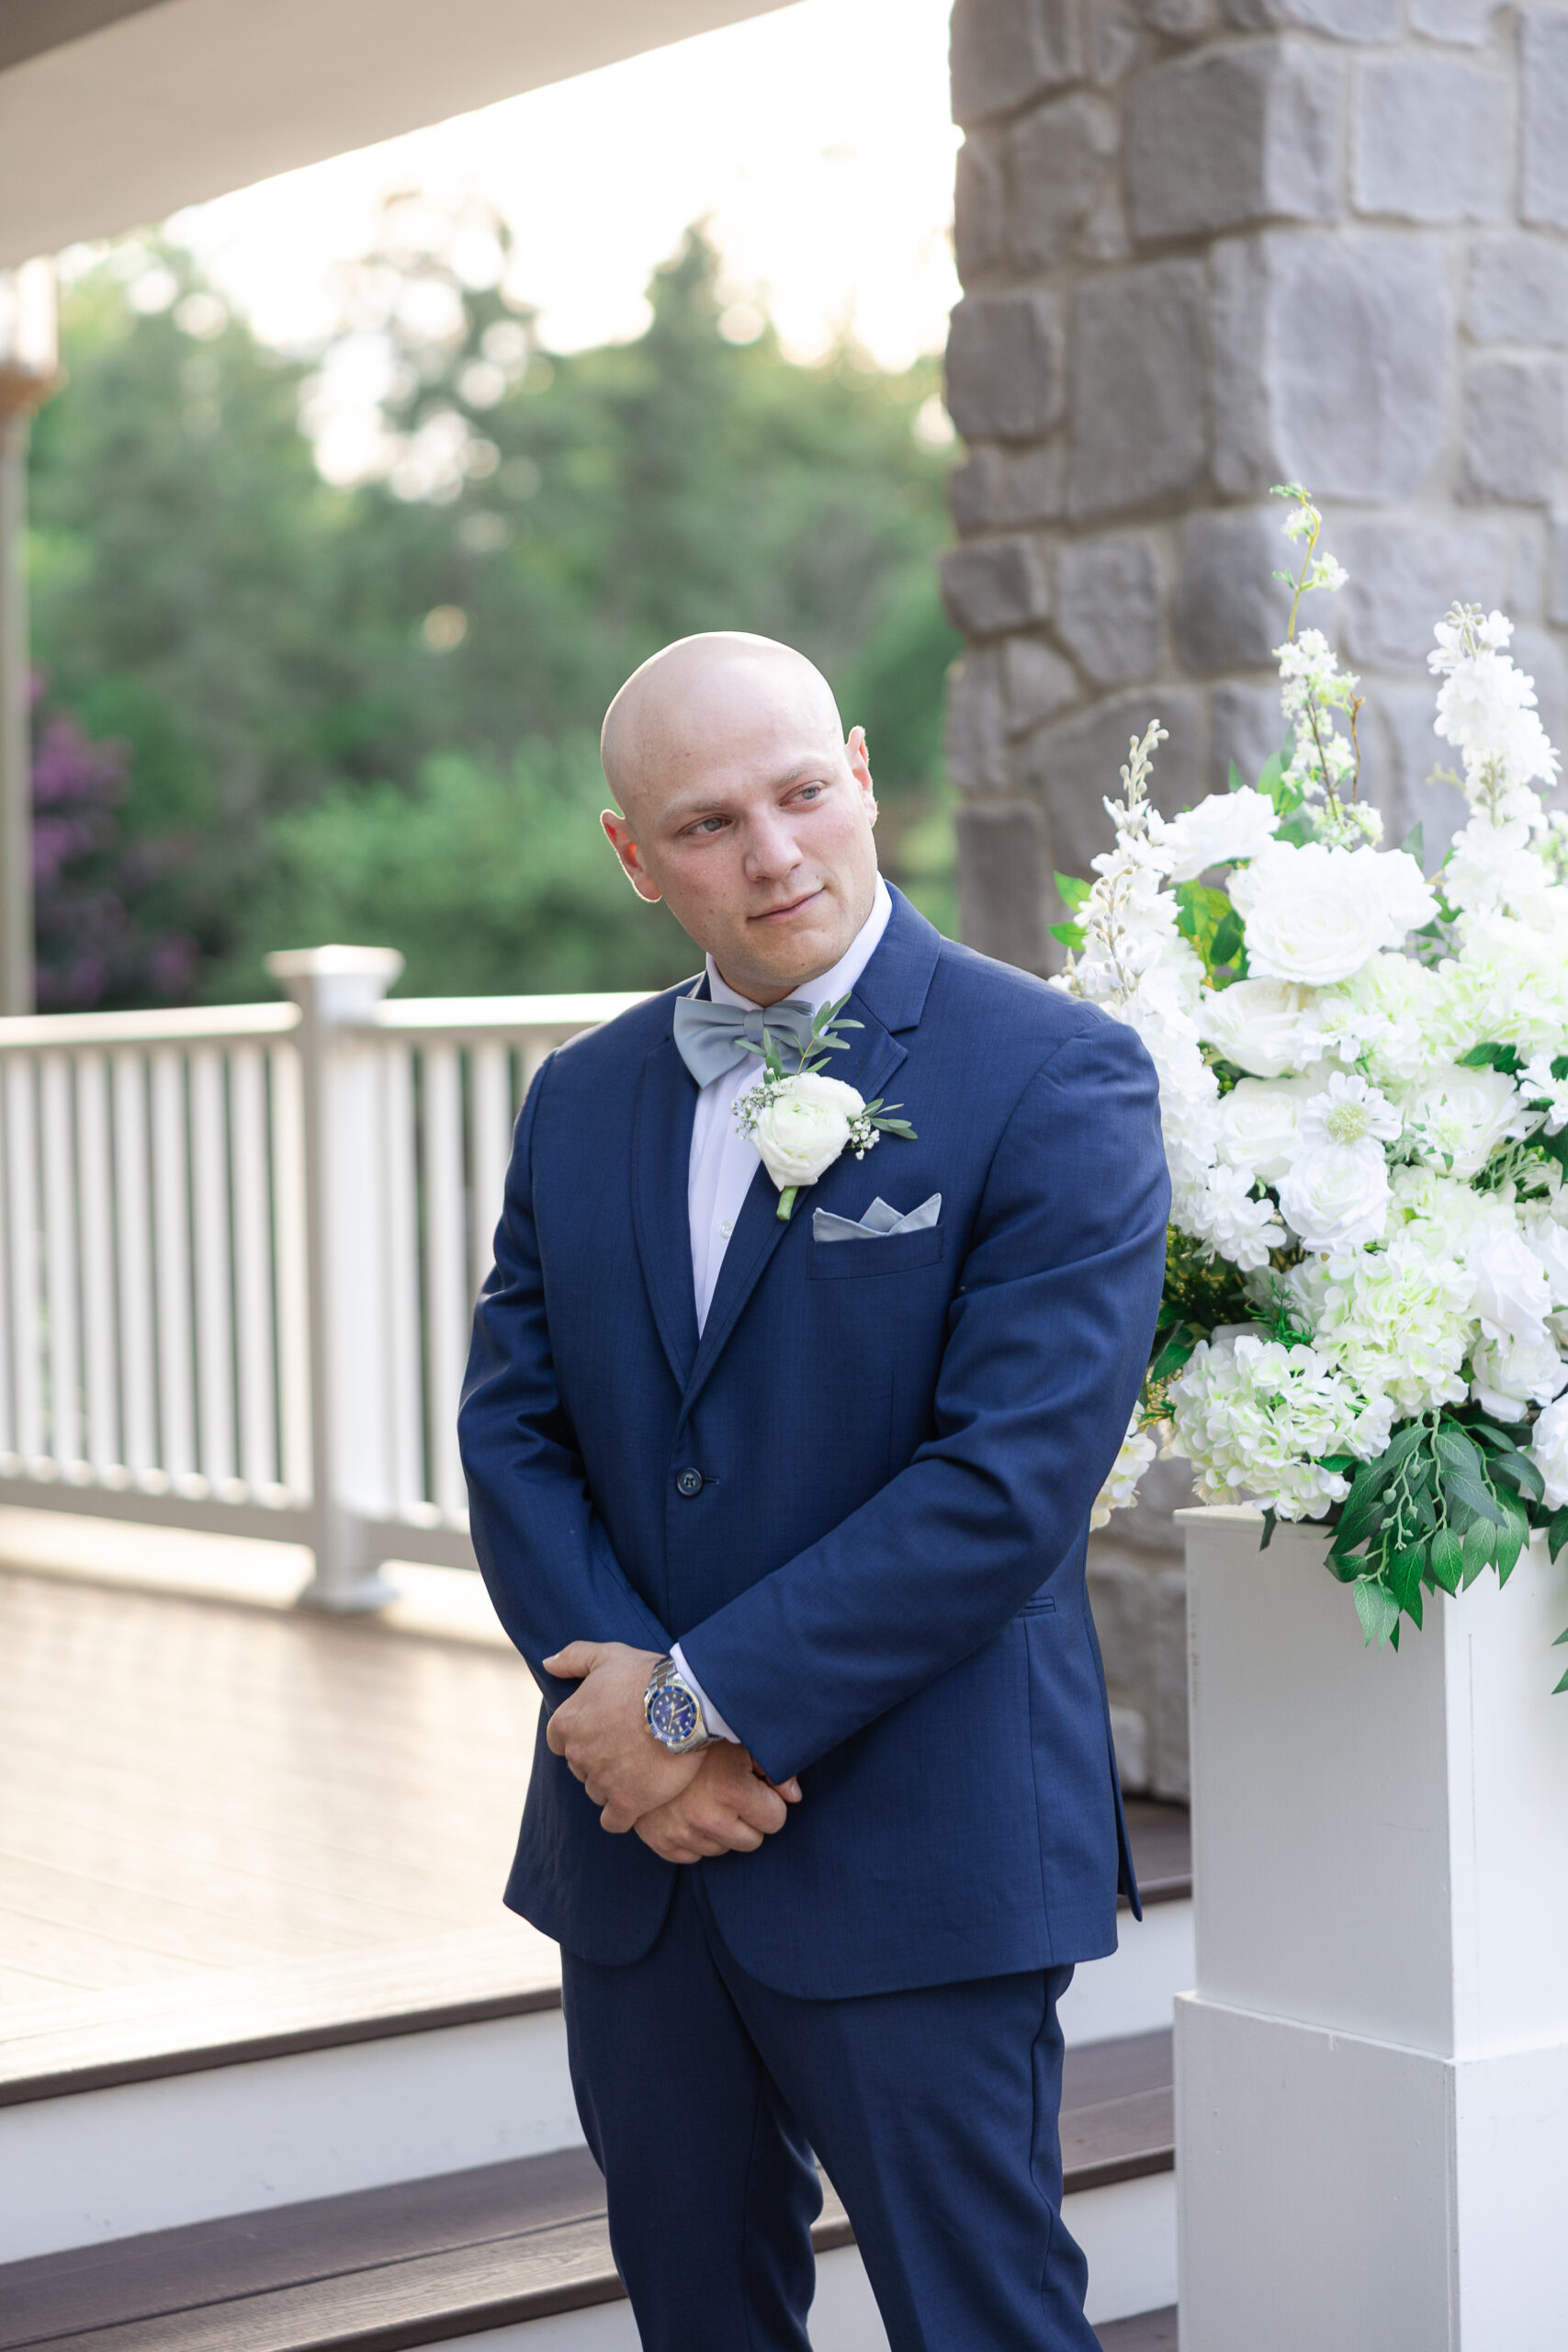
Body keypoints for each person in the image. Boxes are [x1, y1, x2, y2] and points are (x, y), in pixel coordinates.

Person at [458, 631, 1168, 2351]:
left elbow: (1006, 1486)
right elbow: (514, 1434)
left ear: (859, 769)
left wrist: (699, 1708)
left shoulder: (1053, 1076)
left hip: (919, 1840)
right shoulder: (582, 1100)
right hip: (638, 1853)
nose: (775, 853)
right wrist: (627, 1732)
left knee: (981, 2321)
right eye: (706, 824)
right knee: (700, 2319)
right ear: (634, 860)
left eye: (802, 792)